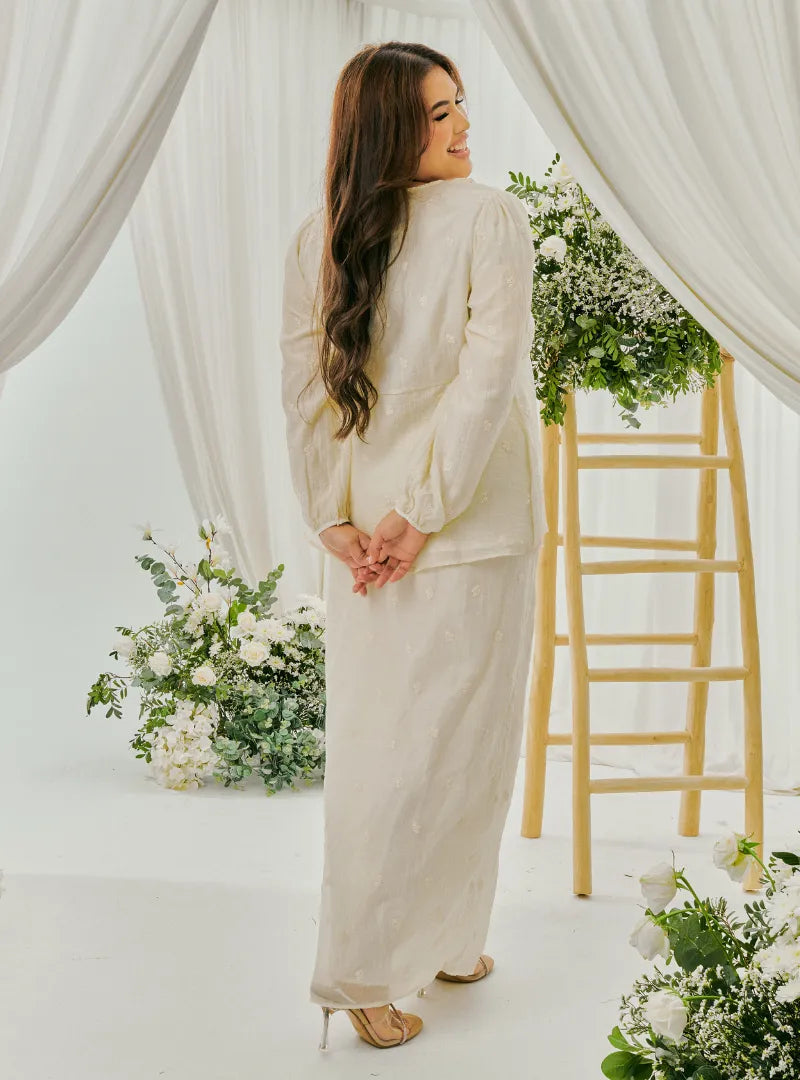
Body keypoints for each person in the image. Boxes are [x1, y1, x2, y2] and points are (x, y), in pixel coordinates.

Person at [279, 41, 545, 1051]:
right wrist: (419, 513)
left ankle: (443, 936)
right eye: (439, 114)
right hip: (461, 533)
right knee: (437, 749)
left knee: (407, 745)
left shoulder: (321, 233)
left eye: (461, 105)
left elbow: (303, 394)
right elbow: (486, 383)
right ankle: (361, 970)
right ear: (391, 127)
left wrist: (334, 517)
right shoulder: (491, 219)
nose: (463, 126)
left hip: (370, 543)